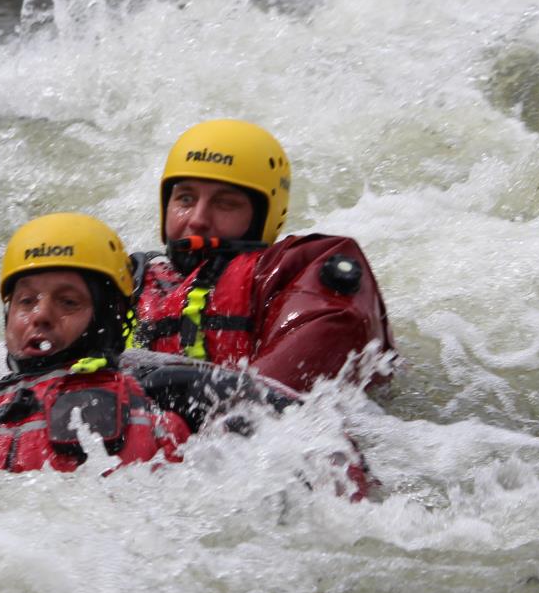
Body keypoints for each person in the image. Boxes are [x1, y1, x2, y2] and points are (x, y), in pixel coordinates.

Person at [129, 118, 394, 394]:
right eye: (185, 199)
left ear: (263, 218)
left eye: (225, 203)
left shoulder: (291, 275)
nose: (197, 220)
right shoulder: (129, 283)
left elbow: (277, 408)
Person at [0, 213, 191, 474]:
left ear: (108, 318)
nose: (40, 315)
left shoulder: (159, 404)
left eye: (68, 302)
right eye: (27, 301)